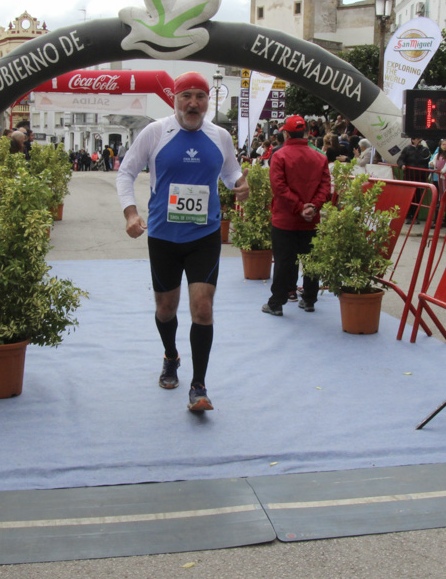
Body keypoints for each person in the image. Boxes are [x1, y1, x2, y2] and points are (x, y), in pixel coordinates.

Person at [116, 72, 249, 413]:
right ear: (174, 99)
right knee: (166, 308)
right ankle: (171, 356)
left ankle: (199, 385)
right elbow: (126, 172)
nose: (193, 103)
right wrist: (131, 214)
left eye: (200, 96)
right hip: (163, 235)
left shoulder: (220, 136)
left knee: (202, 307)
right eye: (186, 95)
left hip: (205, 235)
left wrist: (239, 184)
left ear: (208, 101)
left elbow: (231, 172)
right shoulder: (156, 132)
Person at [262, 115, 330, 317]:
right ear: (307, 132)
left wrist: (299, 207)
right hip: (311, 219)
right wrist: (313, 207)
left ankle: (277, 303)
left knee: (283, 261)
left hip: (285, 219)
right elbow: (325, 187)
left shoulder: (279, 155)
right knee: (311, 260)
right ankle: (309, 299)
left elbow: (279, 188)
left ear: (285, 133)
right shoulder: (320, 156)